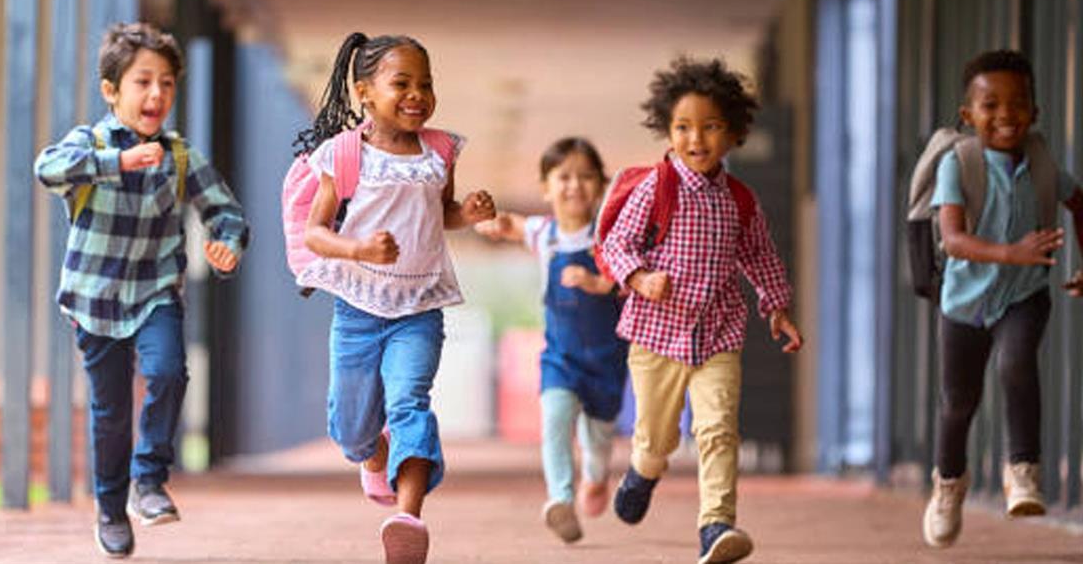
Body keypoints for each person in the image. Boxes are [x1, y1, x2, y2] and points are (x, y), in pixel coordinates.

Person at [35, 22, 249, 558]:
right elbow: (47, 169)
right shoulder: (91, 143)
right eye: (143, 82)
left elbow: (226, 212)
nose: (157, 94)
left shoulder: (179, 156)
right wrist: (117, 163)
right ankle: (109, 510)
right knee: (110, 414)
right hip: (95, 298)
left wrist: (227, 244)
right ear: (111, 90)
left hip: (155, 291)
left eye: (168, 84)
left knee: (168, 370)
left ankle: (149, 481)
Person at [297, 32, 495, 564]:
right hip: (358, 309)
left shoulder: (441, 150)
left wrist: (468, 215)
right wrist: (357, 246)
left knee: (410, 403)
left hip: (419, 309)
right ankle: (373, 455)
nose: (417, 95)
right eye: (400, 83)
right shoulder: (342, 155)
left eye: (425, 84)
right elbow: (315, 232)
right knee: (351, 428)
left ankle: (408, 518)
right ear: (364, 91)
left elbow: (441, 213)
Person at [601, 56, 802, 564]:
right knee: (658, 437)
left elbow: (758, 254)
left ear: (734, 134)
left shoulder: (740, 199)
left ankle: (716, 525)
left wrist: (776, 306)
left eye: (711, 127)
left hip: (718, 332)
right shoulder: (656, 186)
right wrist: (642, 278)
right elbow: (620, 243)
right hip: (656, 335)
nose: (697, 139)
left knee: (717, 429)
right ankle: (643, 470)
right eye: (683, 127)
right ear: (667, 132)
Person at [923, 49, 1083, 548]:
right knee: (959, 404)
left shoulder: (1042, 165)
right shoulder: (960, 163)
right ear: (968, 116)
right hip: (965, 303)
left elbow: (1079, 202)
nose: (1006, 115)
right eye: (990, 105)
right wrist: (1012, 252)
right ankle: (949, 485)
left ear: (1035, 111)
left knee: (1016, 364)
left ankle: (1023, 471)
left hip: (1024, 296)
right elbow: (952, 239)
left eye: (1018, 104)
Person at [476, 137, 628, 544]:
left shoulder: (610, 237)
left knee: (597, 439)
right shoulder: (545, 232)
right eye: (563, 177)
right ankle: (559, 499)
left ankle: (595, 477)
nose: (574, 185)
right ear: (546, 187)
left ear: (599, 185)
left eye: (585, 177)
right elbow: (514, 225)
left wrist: (599, 282)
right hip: (561, 356)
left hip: (607, 359)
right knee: (555, 421)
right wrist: (496, 223)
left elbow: (628, 280)